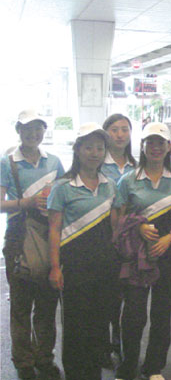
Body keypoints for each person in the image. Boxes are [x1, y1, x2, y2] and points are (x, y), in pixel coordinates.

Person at [114, 122, 171, 380]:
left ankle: (154, 367)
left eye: (161, 143)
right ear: (142, 146)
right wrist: (138, 228)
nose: (156, 147)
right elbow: (117, 219)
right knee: (133, 314)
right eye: (150, 142)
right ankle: (127, 367)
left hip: (167, 253)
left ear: (169, 147)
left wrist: (169, 238)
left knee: (161, 313)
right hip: (135, 256)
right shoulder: (128, 180)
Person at [48, 123, 118, 380]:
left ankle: (93, 374)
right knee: (76, 326)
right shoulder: (62, 187)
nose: (95, 153)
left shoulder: (110, 185)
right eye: (89, 147)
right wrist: (55, 268)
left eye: (99, 148)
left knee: (99, 324)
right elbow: (54, 230)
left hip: (105, 267)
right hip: (74, 268)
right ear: (77, 150)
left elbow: (114, 227)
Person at [0, 110, 64, 380]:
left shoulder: (54, 162)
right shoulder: (7, 162)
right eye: (27, 129)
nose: (33, 134)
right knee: (21, 305)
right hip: (19, 239)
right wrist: (24, 203)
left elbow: (64, 195)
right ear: (18, 130)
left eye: (38, 128)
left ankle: (44, 357)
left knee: (48, 304)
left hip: (50, 238)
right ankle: (23, 361)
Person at [101, 113, 137, 365]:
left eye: (125, 129)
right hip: (102, 234)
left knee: (125, 293)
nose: (120, 134)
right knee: (104, 293)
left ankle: (119, 342)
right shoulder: (97, 163)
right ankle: (102, 345)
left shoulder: (137, 165)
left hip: (130, 238)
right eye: (114, 129)